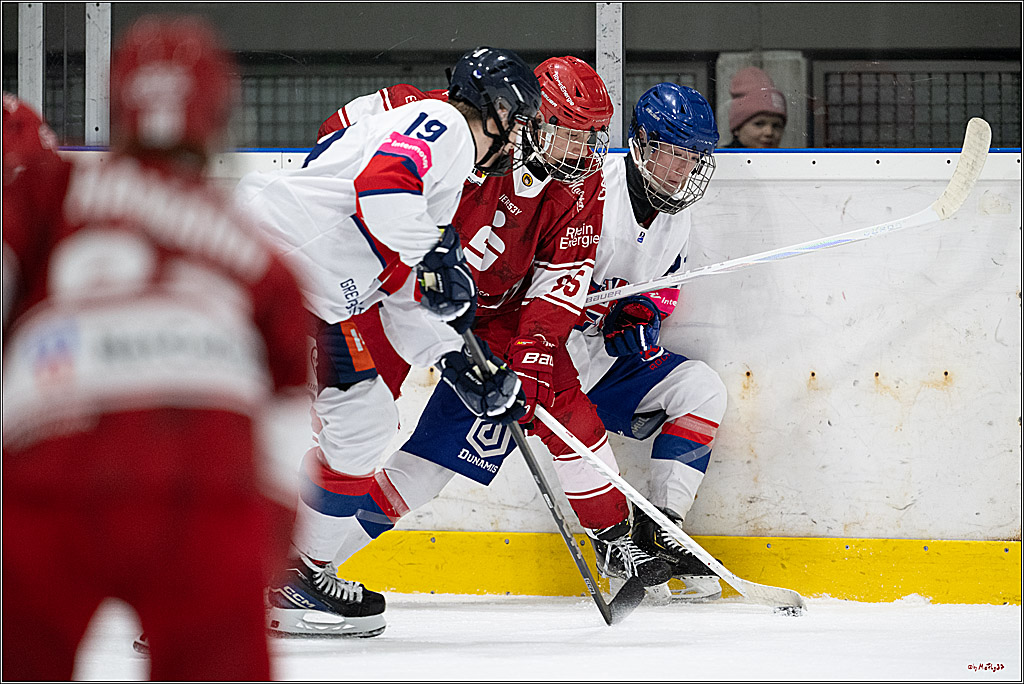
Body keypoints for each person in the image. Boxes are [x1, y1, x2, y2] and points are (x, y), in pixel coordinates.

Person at [306, 55, 674, 625]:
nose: (582, 152)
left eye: (592, 137)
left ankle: (611, 539)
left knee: (456, 458)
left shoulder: (581, 186)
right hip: (395, 294)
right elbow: (344, 133)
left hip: (494, 322)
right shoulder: (446, 120)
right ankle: (293, 561)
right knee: (354, 422)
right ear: (529, 119)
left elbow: (558, 286)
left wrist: (529, 363)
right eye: (570, 134)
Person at [1, 16, 310, 681]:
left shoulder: (50, 189)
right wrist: (267, 542)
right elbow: (290, 412)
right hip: (205, 480)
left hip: (52, 464)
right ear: (221, 120)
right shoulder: (260, 257)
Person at [233, 46, 538, 638]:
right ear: (496, 109)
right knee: (255, 433)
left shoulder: (445, 179)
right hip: (272, 263)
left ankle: (297, 575)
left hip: (312, 286)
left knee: (363, 421)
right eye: (522, 121)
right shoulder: (447, 125)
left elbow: (401, 299)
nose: (524, 138)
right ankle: (208, 589)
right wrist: (437, 253)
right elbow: (384, 185)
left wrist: (460, 364)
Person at [566, 82, 730, 602]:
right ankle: (617, 544)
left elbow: (663, 288)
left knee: (700, 388)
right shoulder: (590, 193)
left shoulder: (677, 217)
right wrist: (593, 312)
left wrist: (638, 315)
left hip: (604, 363)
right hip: (553, 368)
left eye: (691, 157)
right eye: (670, 153)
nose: (680, 169)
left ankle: (661, 530)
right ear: (641, 143)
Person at [724, 66, 787, 149]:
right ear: (737, 129)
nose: (769, 132)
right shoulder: (722, 160)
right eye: (759, 124)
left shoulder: (784, 161)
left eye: (776, 126)